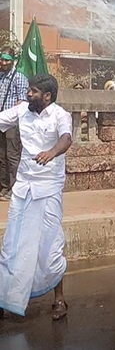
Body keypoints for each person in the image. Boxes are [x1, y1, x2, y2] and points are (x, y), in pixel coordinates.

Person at [0, 74, 72, 320]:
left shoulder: (60, 115)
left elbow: (66, 139)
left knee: (50, 246)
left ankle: (59, 299)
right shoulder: (22, 110)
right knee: (13, 243)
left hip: (49, 189)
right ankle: (5, 298)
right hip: (23, 188)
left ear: (47, 96)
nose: (28, 94)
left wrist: (52, 152)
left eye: (33, 91)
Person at [0, 47, 28, 202]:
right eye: (2, 59)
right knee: (1, 157)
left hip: (12, 123)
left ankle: (15, 188)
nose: (3, 63)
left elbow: (23, 101)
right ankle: (3, 187)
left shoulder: (19, 78)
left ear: (12, 61)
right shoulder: (0, 77)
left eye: (6, 60)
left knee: (12, 156)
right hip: (0, 122)